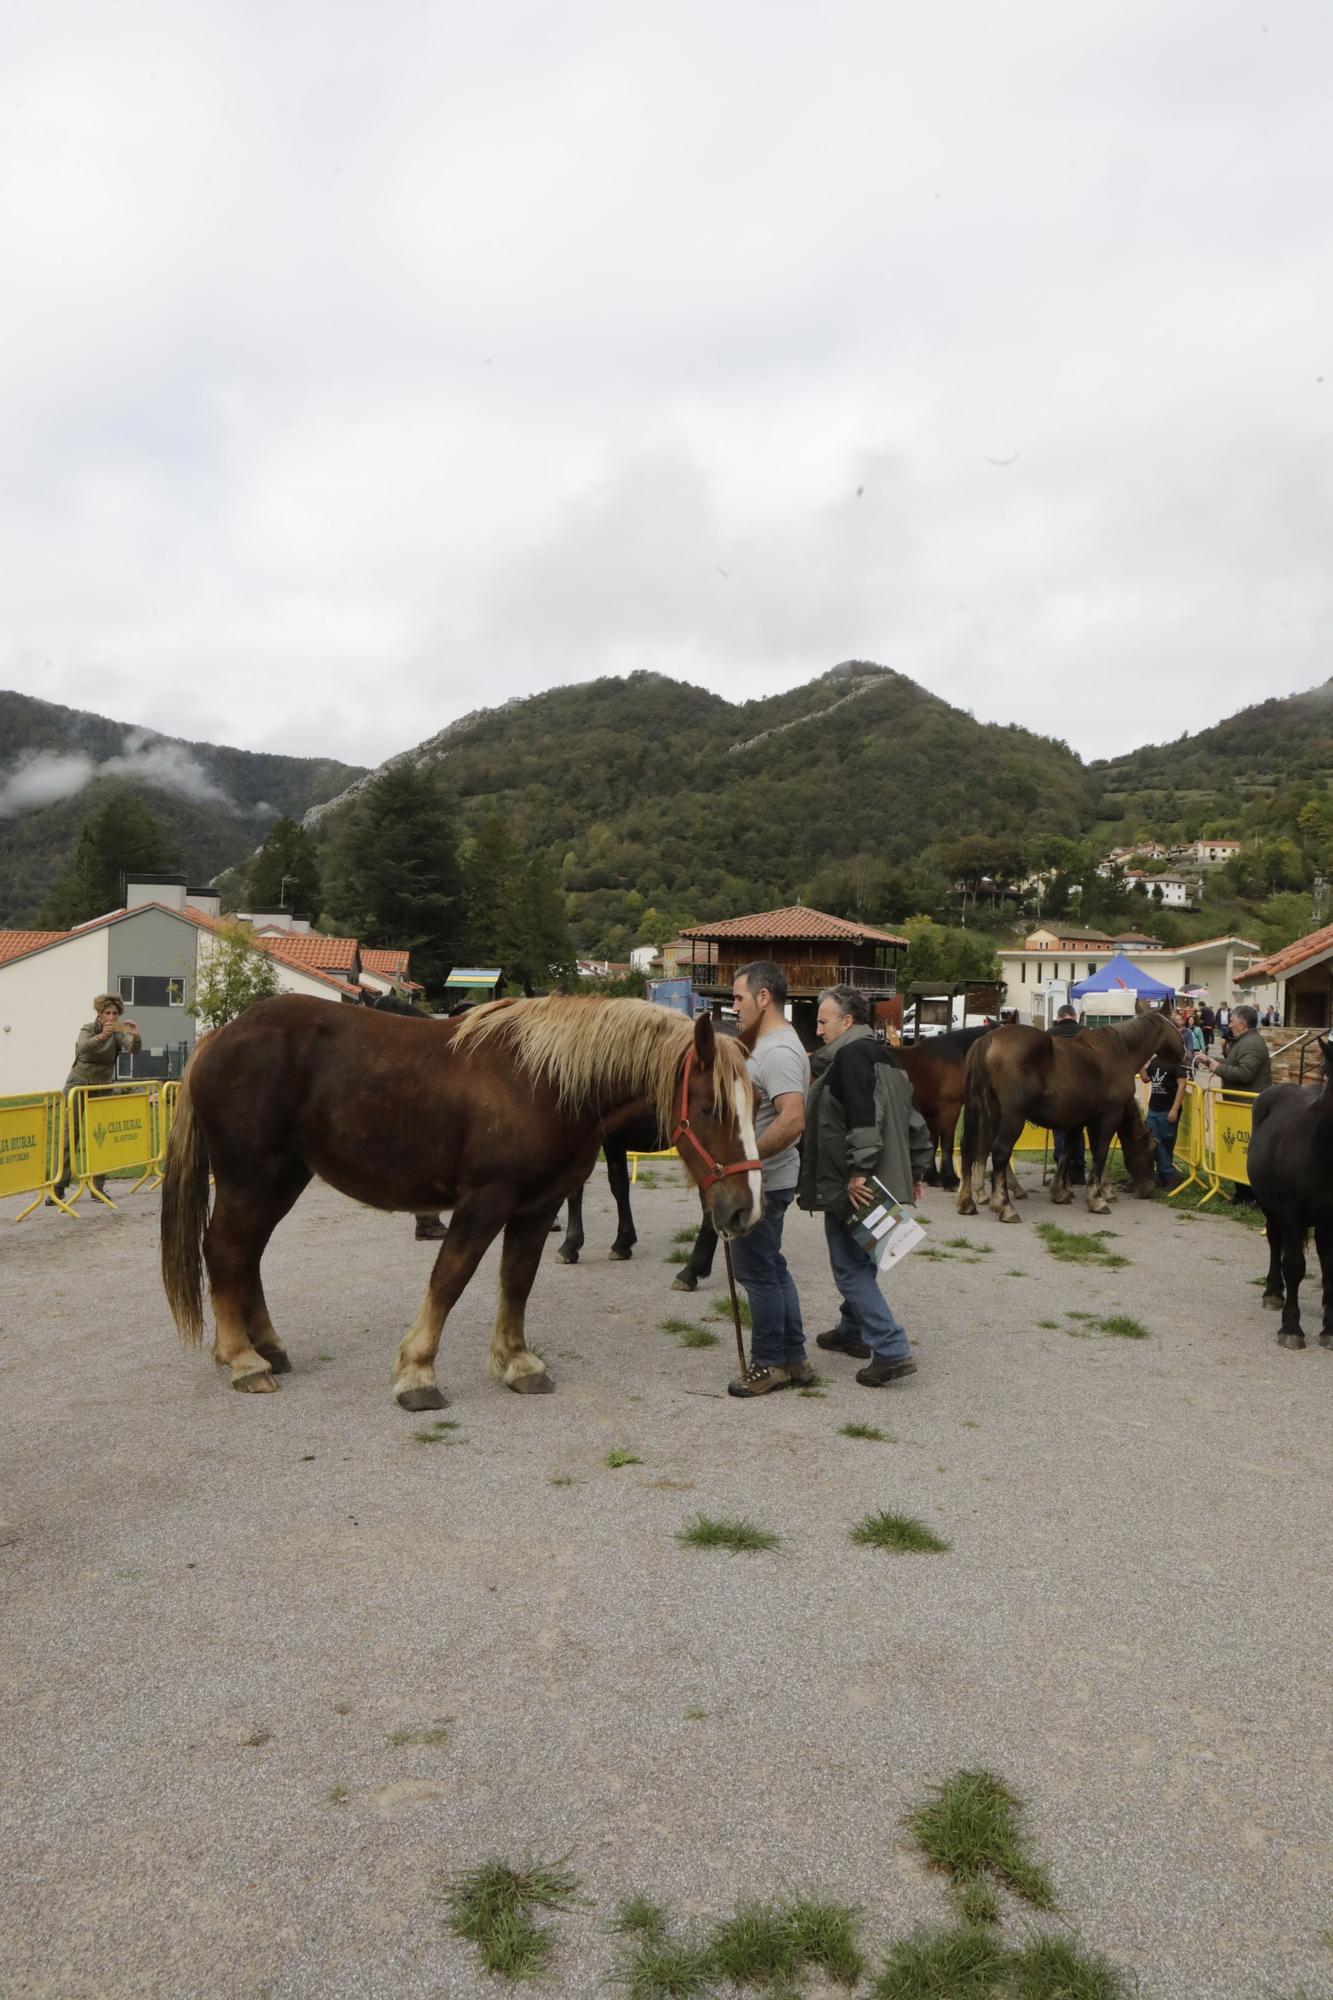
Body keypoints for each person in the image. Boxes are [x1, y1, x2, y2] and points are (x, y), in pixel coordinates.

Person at [799, 985, 932, 1387]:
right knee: (861, 1262)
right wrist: (917, 1170)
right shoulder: (886, 1056)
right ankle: (851, 1330)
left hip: (855, 1183)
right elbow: (914, 1122)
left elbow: (861, 1118)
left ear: (847, 1021)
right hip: (885, 1178)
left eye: (823, 1022)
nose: (818, 1030)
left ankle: (891, 1349)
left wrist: (858, 1172)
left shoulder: (850, 1058)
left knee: (849, 1268)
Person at [725, 961, 812, 1397]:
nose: (733, 1005)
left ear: (764, 998)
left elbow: (792, 1119)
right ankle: (794, 1358)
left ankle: (768, 1364)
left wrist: (747, 1159)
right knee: (772, 1268)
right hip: (769, 1178)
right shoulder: (771, 1043)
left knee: (757, 1272)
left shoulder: (777, 1052)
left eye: (739, 997)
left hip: (764, 1181)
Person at [50, 993, 142, 1201]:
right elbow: (83, 1047)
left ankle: (97, 1187)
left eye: (115, 1013)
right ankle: (58, 1187)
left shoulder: (119, 1032)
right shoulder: (88, 1029)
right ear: (100, 1015)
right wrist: (101, 1036)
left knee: (100, 1138)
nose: (111, 1017)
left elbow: (133, 1049)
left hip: (102, 1086)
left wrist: (135, 1036)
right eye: (107, 1013)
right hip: (78, 1084)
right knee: (68, 1135)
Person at [1140, 1011, 1190, 1188]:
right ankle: (1170, 1174)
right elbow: (1146, 1079)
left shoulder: (1175, 1062)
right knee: (1154, 1142)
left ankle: (1164, 1177)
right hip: (1154, 1109)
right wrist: (1140, 1063)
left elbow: (1182, 1084)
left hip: (1168, 1110)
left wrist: (1175, 1109)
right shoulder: (1156, 1061)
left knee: (1165, 1145)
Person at [1048, 1004, 1086, 1186]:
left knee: (1060, 1132)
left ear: (1059, 1016)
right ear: (1075, 1015)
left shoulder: (1048, 1035)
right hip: (1083, 1092)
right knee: (1078, 1132)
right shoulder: (1087, 1033)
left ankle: (1063, 1172)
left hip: (1057, 1091)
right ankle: (1079, 1171)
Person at [1207, 1004, 1271, 1094]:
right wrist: (1208, 1060)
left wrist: (1218, 1068)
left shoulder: (1251, 1043)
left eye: (1232, 1022)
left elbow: (1244, 1073)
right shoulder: (1244, 1039)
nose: (1229, 1025)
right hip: (1241, 1102)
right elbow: (1232, 1063)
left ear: (1242, 1025)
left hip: (1246, 1104)